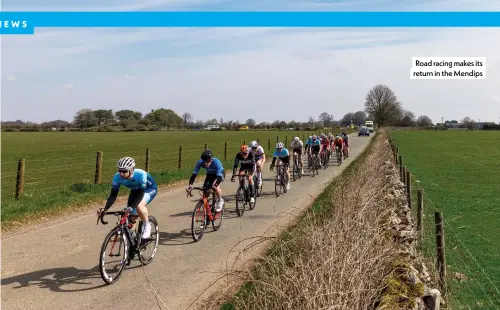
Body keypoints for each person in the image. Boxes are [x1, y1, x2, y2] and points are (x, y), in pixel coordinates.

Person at [98, 156, 158, 239]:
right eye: (120, 171)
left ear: (131, 169)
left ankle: (147, 225)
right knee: (132, 217)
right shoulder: (117, 177)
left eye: (124, 171)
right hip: (135, 190)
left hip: (149, 189)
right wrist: (105, 209)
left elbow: (140, 194)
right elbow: (113, 195)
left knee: (139, 206)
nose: (121, 173)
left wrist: (131, 207)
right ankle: (134, 241)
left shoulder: (141, 174)